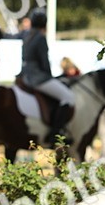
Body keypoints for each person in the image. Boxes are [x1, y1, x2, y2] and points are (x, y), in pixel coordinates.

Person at [17, 9, 74, 147]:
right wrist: (51, 77)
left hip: (24, 76)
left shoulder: (27, 36)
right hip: (37, 78)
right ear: (45, 24)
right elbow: (44, 63)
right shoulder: (40, 38)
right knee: (68, 97)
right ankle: (56, 132)